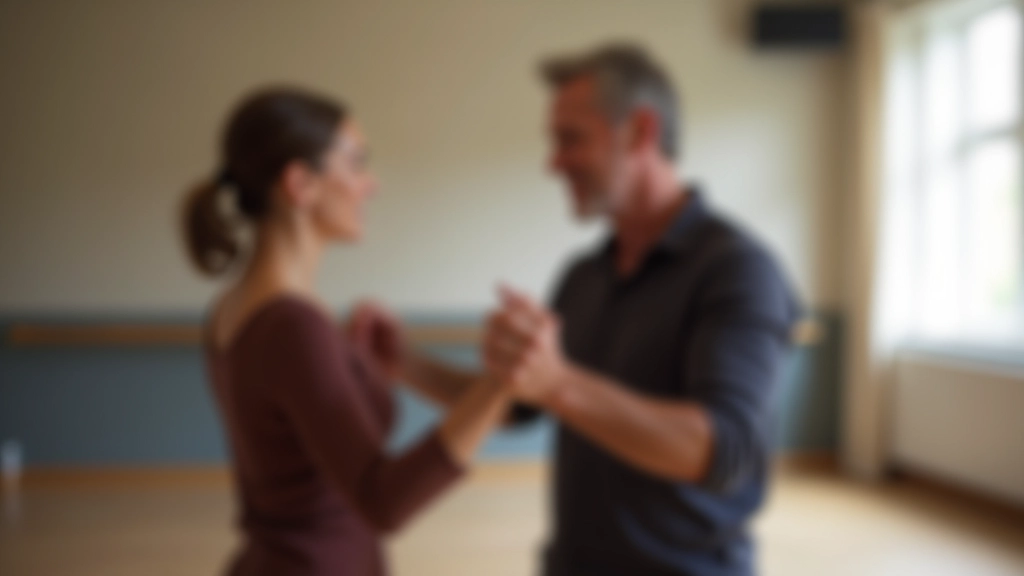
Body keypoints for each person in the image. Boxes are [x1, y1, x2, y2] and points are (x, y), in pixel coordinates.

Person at [358, 43, 801, 576]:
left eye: (571, 139)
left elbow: (722, 451)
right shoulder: (584, 275)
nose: (553, 163)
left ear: (641, 132)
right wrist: (407, 363)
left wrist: (559, 384)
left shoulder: (738, 269)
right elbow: (521, 403)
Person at [181, 87, 513, 576]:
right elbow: (383, 501)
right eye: (356, 164)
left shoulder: (235, 308)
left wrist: (373, 364)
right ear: (300, 184)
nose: (370, 184)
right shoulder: (293, 325)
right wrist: (505, 379)